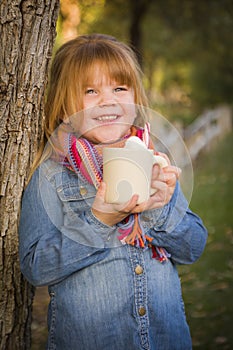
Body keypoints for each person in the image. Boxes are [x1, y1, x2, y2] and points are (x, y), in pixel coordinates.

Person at [19, 34, 207, 350]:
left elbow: (193, 247)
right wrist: (98, 220)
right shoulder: (52, 175)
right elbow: (36, 266)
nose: (108, 101)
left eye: (120, 88)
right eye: (91, 91)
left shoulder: (155, 165)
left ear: (135, 103)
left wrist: (158, 210)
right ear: (66, 106)